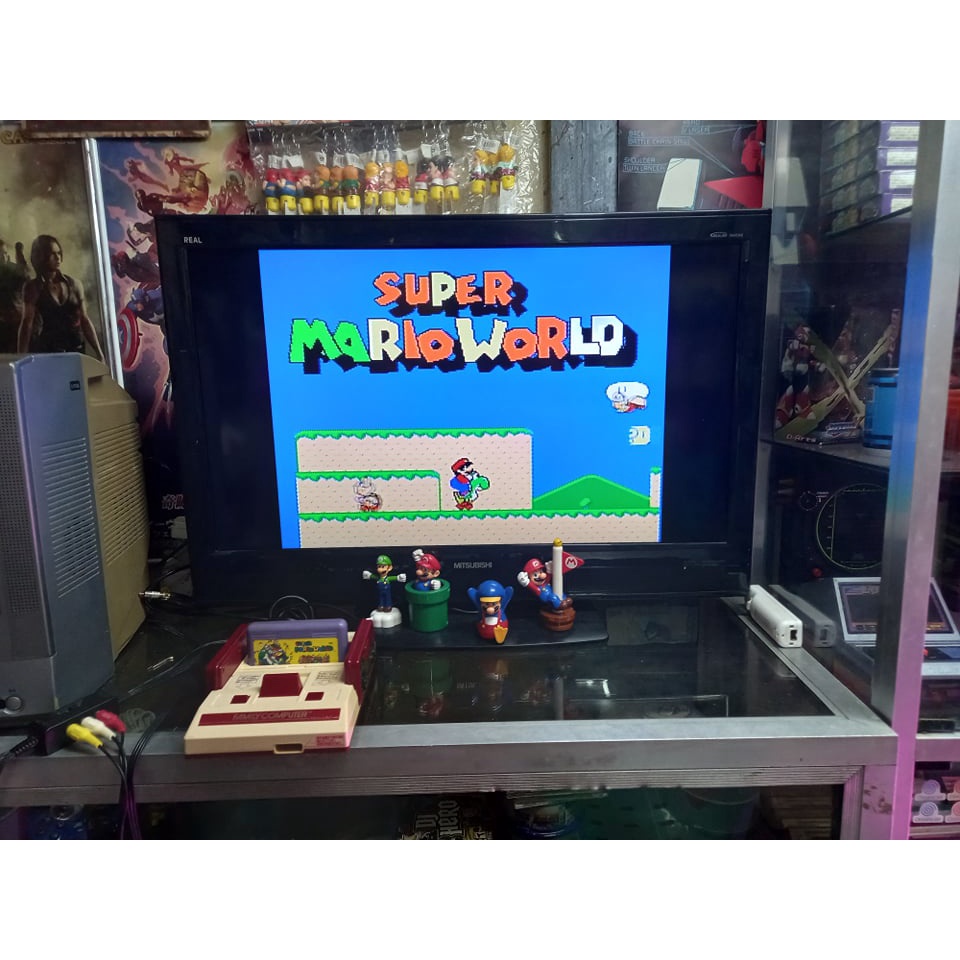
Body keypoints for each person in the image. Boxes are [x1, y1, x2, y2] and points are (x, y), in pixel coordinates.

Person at [17, 235, 105, 360]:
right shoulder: (33, 287)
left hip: (75, 348)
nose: (57, 257)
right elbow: (27, 324)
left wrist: (99, 353)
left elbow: (85, 320)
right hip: (49, 350)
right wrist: (21, 358)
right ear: (41, 256)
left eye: (59, 253)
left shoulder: (74, 284)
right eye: (52, 254)